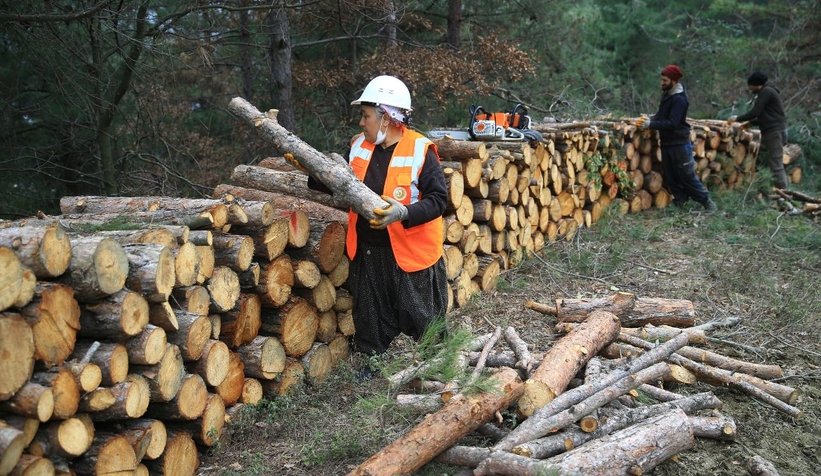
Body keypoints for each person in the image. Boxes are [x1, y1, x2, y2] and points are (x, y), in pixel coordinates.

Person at [308, 75, 449, 358]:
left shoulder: (421, 150)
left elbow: (439, 201)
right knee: (370, 318)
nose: (362, 122)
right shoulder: (360, 145)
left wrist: (405, 212)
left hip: (411, 256)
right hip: (369, 252)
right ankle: (371, 364)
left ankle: (437, 368)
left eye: (366, 116)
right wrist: (311, 169)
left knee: (424, 319)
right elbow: (339, 182)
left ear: (386, 117)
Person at [636, 64, 717, 211]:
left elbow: (673, 123)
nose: (662, 83)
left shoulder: (680, 99)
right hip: (667, 143)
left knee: (687, 175)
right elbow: (662, 115)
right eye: (662, 80)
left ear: (674, 81)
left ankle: (707, 202)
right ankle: (681, 201)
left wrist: (650, 124)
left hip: (679, 143)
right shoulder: (667, 94)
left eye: (665, 80)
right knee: (670, 176)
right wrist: (651, 118)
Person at [729, 72, 788, 189]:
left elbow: (755, 112)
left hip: (774, 132)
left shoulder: (766, 92)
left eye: (750, 85)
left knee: (776, 164)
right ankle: (761, 187)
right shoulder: (767, 91)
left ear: (757, 85)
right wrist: (750, 124)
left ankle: (784, 193)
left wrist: (737, 118)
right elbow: (765, 115)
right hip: (770, 132)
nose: (749, 88)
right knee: (759, 159)